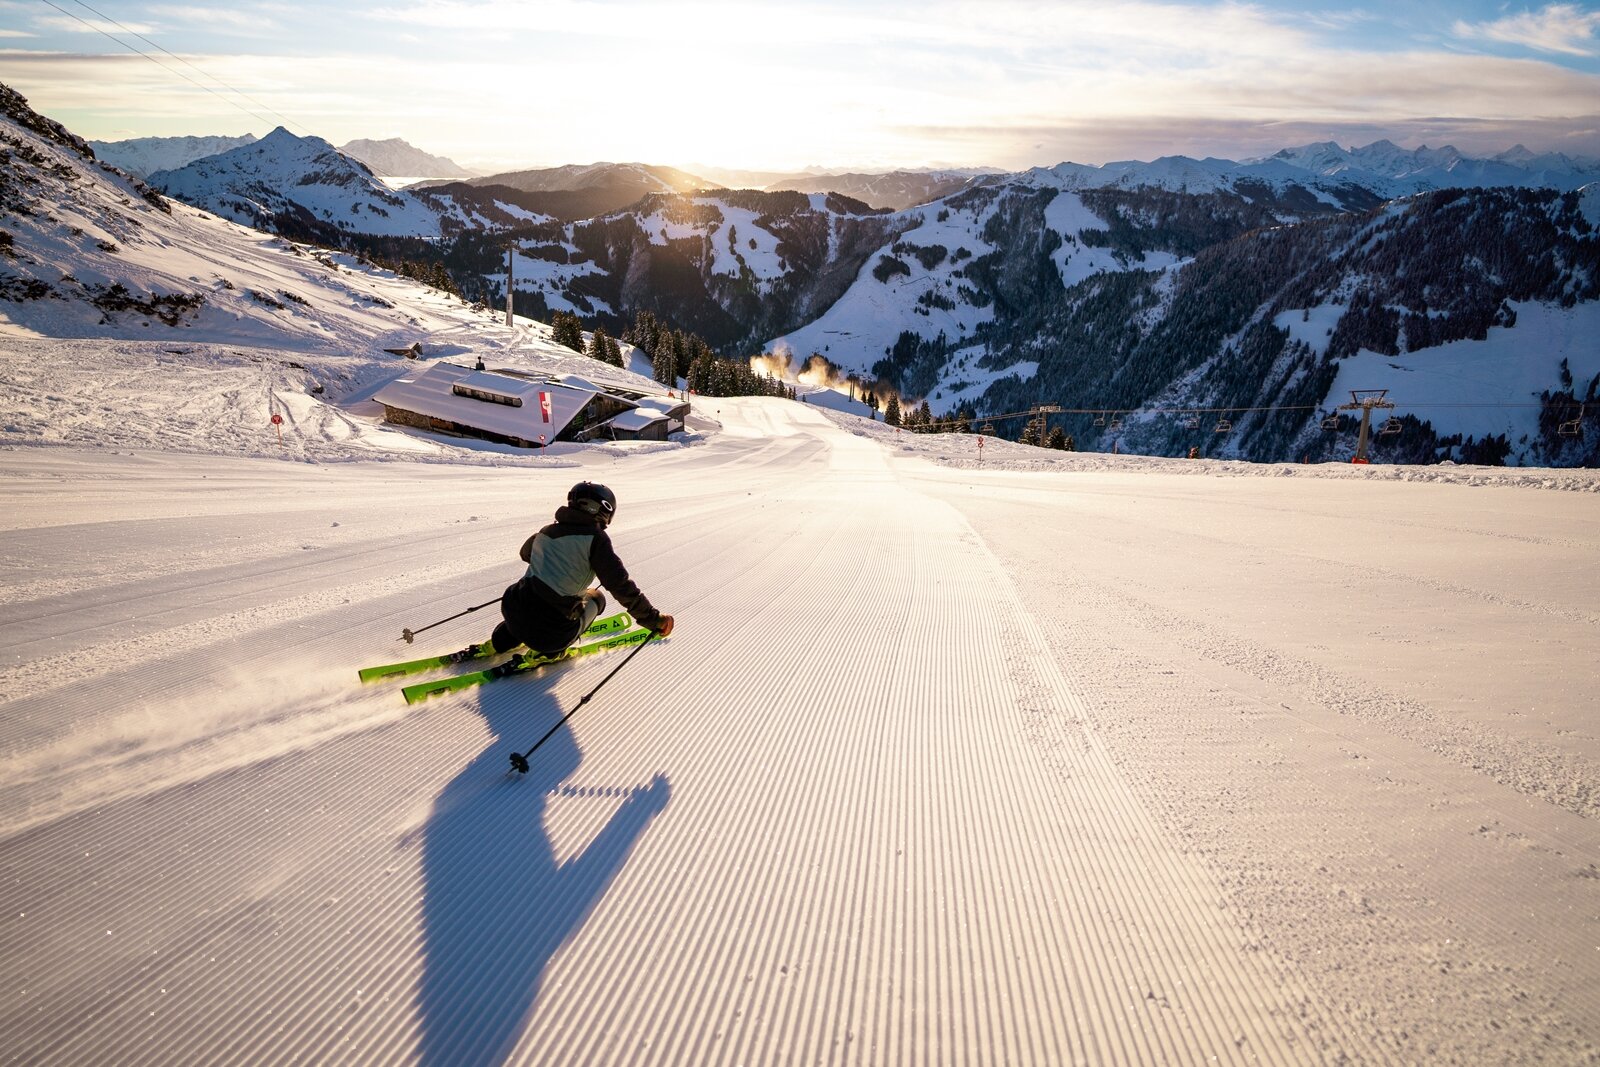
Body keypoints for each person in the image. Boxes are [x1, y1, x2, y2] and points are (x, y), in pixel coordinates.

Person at [482, 481, 673, 659]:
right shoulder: (595, 538)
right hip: (551, 635)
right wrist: (654, 620)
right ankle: (550, 654)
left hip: (512, 609)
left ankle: (502, 640)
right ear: (604, 509)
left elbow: (526, 554)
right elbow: (620, 585)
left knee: (534, 598)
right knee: (597, 597)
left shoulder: (545, 531)